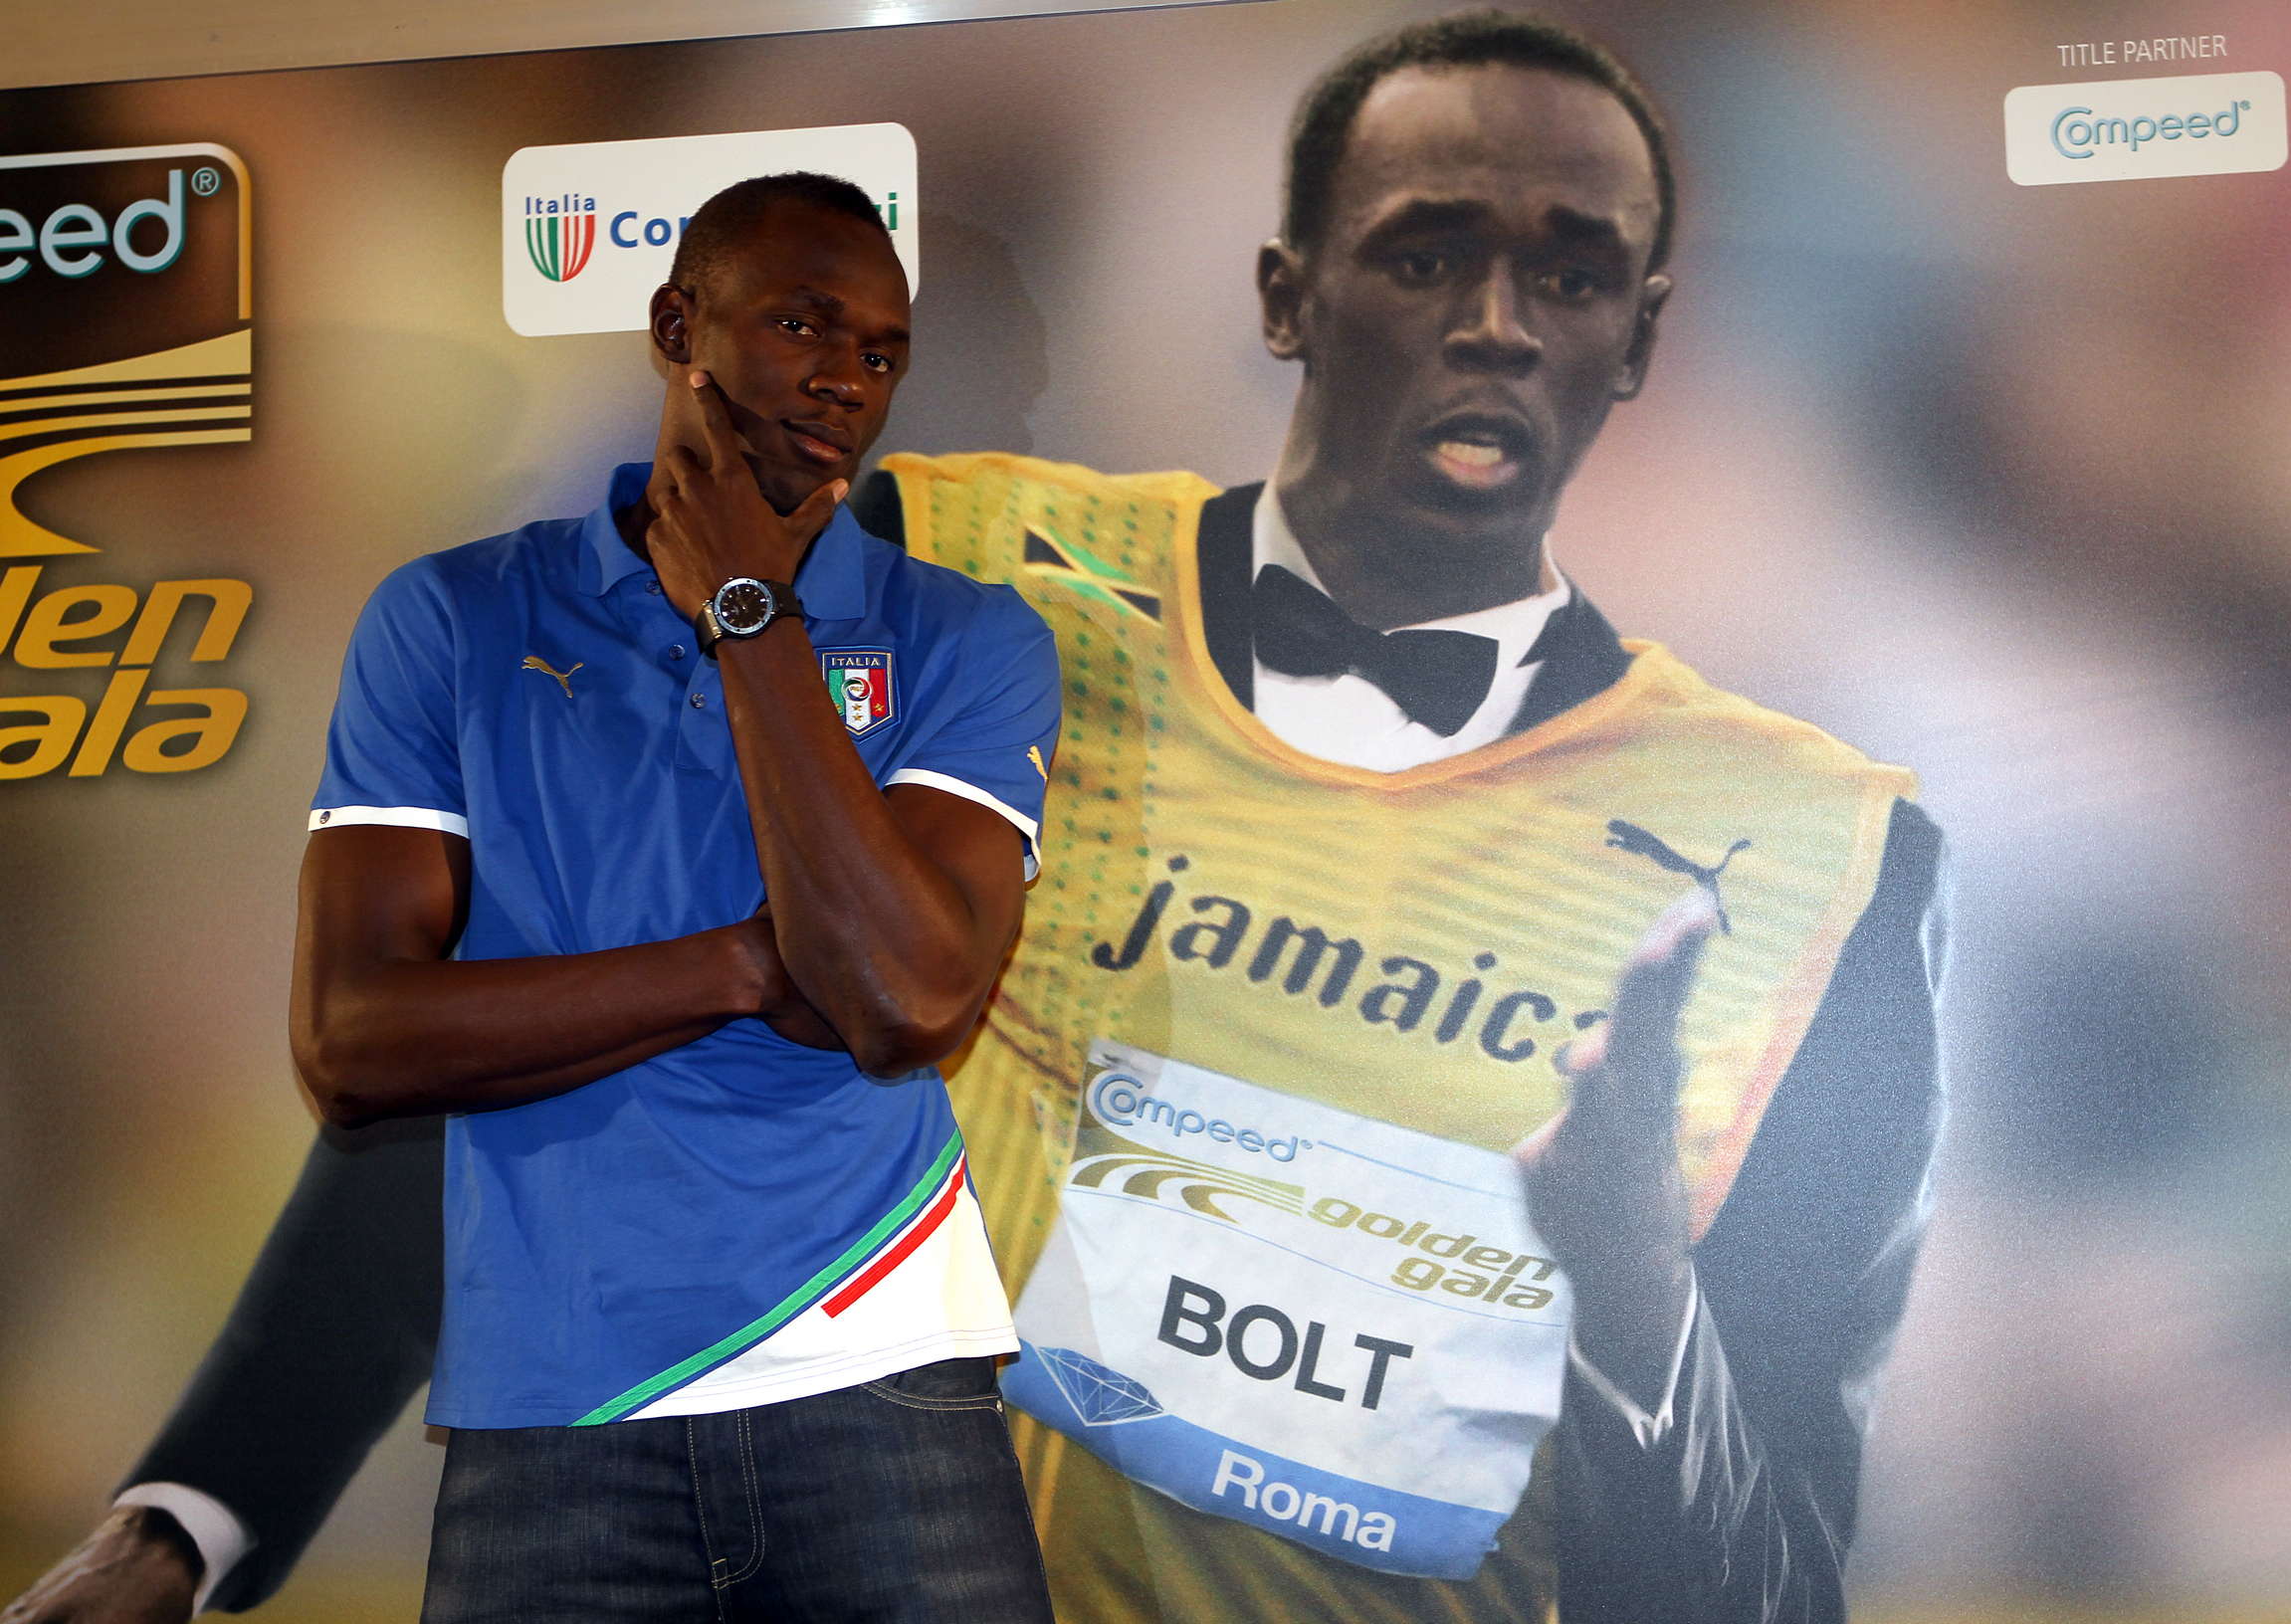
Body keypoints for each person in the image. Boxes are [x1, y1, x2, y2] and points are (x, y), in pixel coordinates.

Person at [6, 13, 1942, 1624]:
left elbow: (1780, 1562)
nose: (1496, 328)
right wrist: (200, 1512)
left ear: (1649, 335)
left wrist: (1627, 1304)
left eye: (1572, 276)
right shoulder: (941, 591)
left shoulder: (1821, 849)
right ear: (1287, 291)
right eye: (1425, 256)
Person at [10, 171, 1063, 1624]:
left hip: (887, 1380)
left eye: (883, 353)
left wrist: (748, 612)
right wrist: (752, 964)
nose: (845, 381)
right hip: (551, 1416)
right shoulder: (463, 614)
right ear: (677, 330)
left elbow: (901, 996)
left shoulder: (975, 636)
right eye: (803, 325)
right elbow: (375, 1052)